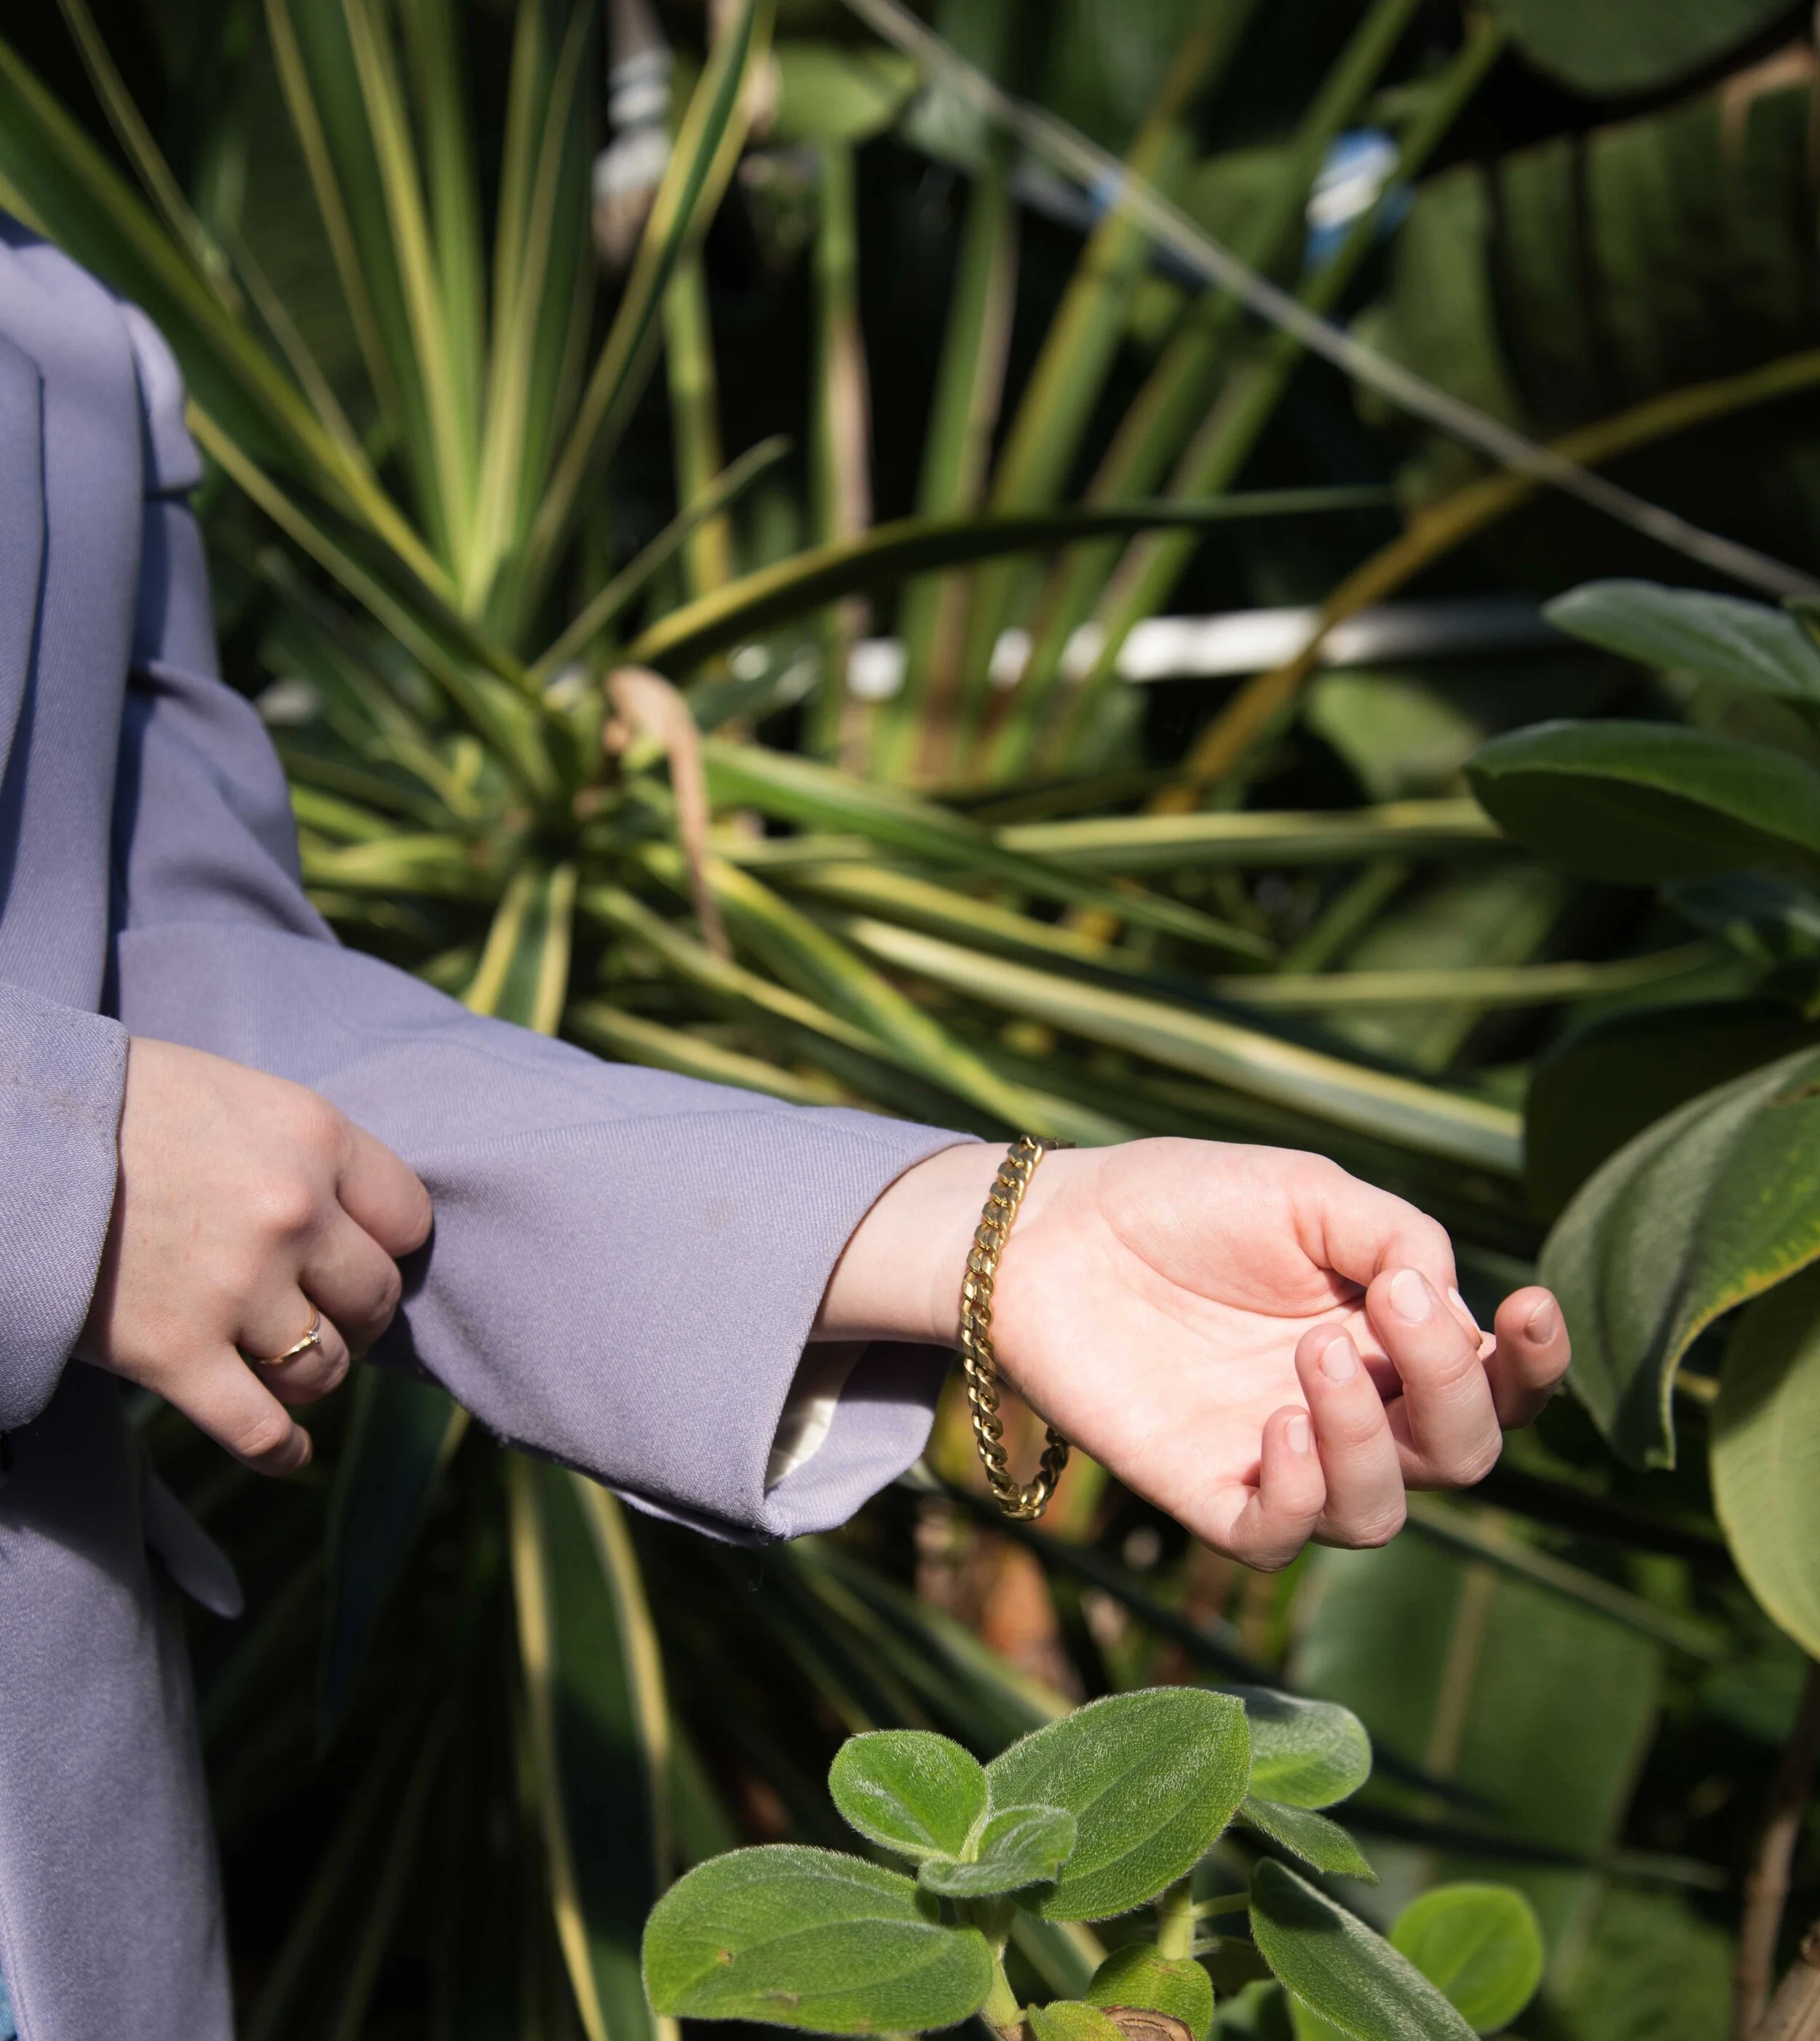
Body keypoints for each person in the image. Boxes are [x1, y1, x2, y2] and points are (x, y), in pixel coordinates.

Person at [0, 216, 1571, 2041]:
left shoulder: (67, 337)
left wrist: (992, 1236)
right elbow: (97, 1130)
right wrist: (52, 1172)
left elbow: (192, 1022)